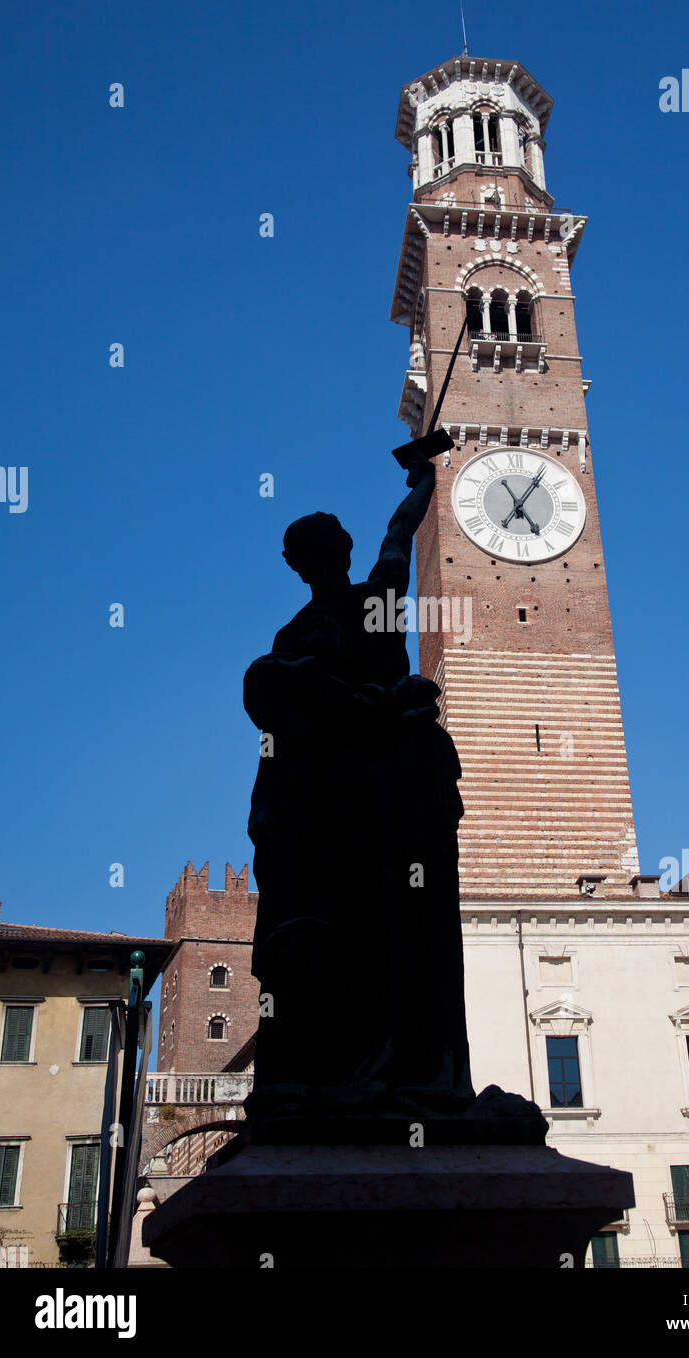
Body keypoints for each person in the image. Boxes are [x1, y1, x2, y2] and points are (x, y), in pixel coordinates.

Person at [243, 453, 475, 1121]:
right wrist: (422, 482)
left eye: (318, 548)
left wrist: (426, 482)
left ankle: (388, 1066)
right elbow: (397, 536)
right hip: (334, 792)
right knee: (347, 922)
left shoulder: (364, 606)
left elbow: (399, 535)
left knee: (379, 921)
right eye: (307, 551)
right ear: (304, 561)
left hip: (372, 788)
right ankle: (342, 1067)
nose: (315, 559)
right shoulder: (318, 628)